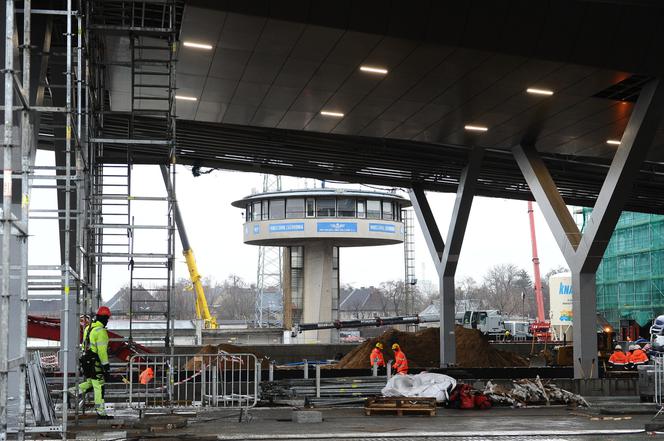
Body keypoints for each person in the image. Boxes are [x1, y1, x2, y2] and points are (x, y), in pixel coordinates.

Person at [71, 306, 113, 418]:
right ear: (104, 318)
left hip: (86, 360)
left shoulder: (88, 328)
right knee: (99, 385)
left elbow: (86, 345)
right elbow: (102, 352)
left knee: (91, 383)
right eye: (107, 318)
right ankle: (101, 412)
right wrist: (106, 367)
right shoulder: (101, 332)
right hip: (95, 362)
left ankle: (71, 392)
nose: (107, 321)